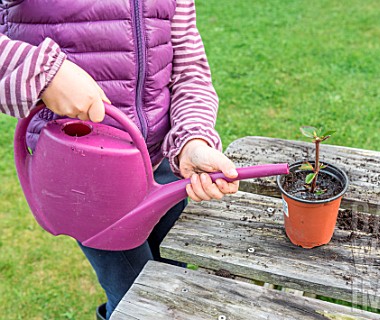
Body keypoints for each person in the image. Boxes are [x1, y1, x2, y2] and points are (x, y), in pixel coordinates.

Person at [0, 0, 239, 318]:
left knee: (171, 281)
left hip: (163, 169)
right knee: (138, 304)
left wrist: (191, 139)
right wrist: (41, 72)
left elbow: (188, 71)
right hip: (85, 183)